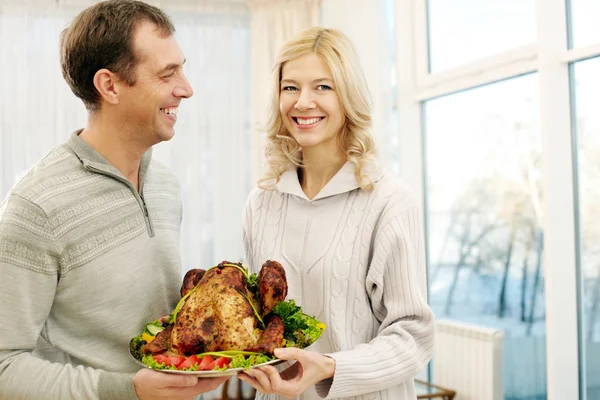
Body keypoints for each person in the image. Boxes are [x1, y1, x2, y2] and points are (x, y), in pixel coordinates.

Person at [0, 1, 228, 399]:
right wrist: (126, 390)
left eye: (182, 68)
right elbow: (5, 366)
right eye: (167, 73)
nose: (186, 88)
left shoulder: (165, 185)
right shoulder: (36, 207)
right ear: (109, 86)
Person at [239, 27, 435, 400]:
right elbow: (261, 318)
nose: (303, 102)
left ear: (348, 95)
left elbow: (413, 334)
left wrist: (329, 366)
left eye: (323, 87)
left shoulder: (389, 202)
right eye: (290, 87)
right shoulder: (261, 202)